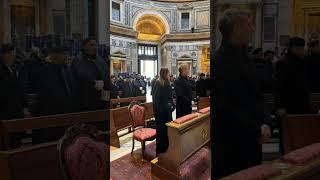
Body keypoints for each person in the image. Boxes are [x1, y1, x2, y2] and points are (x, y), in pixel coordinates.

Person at [213, 9, 272, 179]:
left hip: (253, 138)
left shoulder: (247, 58)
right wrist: (257, 130)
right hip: (231, 143)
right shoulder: (218, 61)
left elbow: (257, 96)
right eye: (249, 24)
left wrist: (266, 123)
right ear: (236, 29)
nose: (253, 29)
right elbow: (227, 107)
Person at [274, 37, 311, 115]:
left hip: (303, 102)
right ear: (292, 48)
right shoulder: (283, 63)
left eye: (302, 48)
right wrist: (280, 106)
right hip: (289, 103)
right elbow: (278, 86)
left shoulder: (303, 61)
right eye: (298, 48)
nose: (301, 50)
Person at [71, 38, 109, 111]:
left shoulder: (100, 60)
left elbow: (106, 74)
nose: (94, 47)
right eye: (91, 45)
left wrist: (104, 83)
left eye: (96, 45)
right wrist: (93, 83)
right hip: (86, 100)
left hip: (102, 100)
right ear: (84, 47)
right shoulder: (77, 61)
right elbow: (78, 78)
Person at [152, 68, 175, 155]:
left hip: (167, 111)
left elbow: (169, 97)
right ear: (164, 73)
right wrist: (161, 110)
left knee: (167, 131)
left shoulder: (167, 82)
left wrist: (172, 104)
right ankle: (160, 151)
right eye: (168, 73)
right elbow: (156, 100)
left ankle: (166, 149)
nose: (169, 74)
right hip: (160, 113)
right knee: (161, 132)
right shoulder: (158, 83)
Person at [0, 44, 24, 120]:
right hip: (5, 112)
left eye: (13, 54)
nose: (12, 56)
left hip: (16, 110)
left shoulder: (13, 69)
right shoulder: (2, 71)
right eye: (10, 54)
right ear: (2, 55)